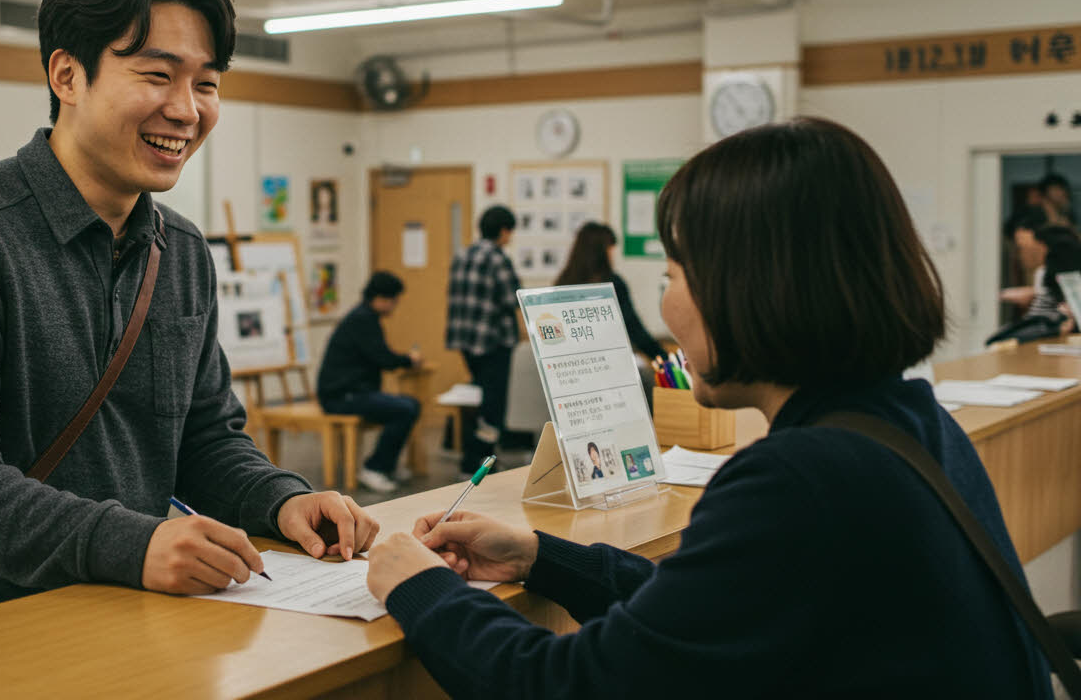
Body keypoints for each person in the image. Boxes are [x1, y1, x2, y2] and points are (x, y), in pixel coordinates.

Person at [365, 117, 1052, 698]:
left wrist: (423, 587)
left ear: (750, 288)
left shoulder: (801, 477)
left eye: (672, 275)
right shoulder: (907, 423)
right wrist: (541, 557)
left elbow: (568, 684)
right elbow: (712, 602)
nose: (666, 304)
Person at [0, 0, 378, 616]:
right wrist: (131, 544)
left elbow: (204, 438)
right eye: (157, 75)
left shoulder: (184, 252)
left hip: (129, 610)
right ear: (67, 75)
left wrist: (281, 498)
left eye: (207, 83)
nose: (186, 109)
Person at [316, 272, 422, 492]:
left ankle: (387, 465)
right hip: (341, 396)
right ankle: (375, 468)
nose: (395, 306)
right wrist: (409, 360)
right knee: (404, 409)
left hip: (351, 392)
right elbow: (383, 357)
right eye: (394, 300)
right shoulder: (362, 319)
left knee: (411, 405)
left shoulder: (364, 316)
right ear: (382, 298)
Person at [446, 205, 522, 477]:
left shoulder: (463, 254)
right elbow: (512, 297)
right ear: (503, 231)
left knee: (478, 398)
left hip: (465, 340)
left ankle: (470, 458)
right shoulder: (497, 258)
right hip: (492, 340)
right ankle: (482, 462)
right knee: (493, 405)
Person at [555, 222, 667, 363]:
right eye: (611, 249)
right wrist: (664, 358)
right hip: (604, 362)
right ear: (602, 252)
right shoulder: (612, 284)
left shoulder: (563, 281)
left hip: (570, 363)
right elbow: (634, 328)